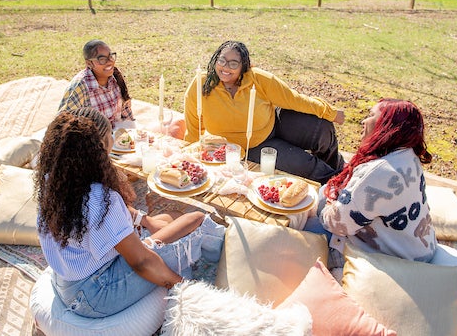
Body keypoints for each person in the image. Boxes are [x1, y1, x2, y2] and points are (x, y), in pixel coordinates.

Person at [35, 107, 224, 318]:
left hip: (67, 283)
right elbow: (142, 262)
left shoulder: (54, 181)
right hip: (96, 294)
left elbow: (110, 216)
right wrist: (185, 290)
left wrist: (146, 220)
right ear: (99, 147)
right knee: (195, 220)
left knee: (167, 218)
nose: (114, 139)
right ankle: (229, 259)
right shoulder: (99, 198)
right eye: (111, 135)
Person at [184, 40, 345, 184]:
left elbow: (294, 99)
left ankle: (336, 174)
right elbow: (193, 127)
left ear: (243, 66)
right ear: (215, 59)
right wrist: (188, 157)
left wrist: (331, 112)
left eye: (233, 63)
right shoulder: (201, 85)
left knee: (322, 128)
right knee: (306, 166)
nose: (225, 67)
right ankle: (331, 183)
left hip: (276, 122)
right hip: (251, 146)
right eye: (222, 60)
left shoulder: (258, 78)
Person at [310, 98, 437, 262]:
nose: (364, 121)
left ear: (387, 126)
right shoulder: (408, 155)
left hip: (390, 260)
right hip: (419, 247)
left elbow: (335, 224)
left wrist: (328, 203)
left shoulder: (377, 173)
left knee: (299, 229)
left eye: (371, 115)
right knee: (323, 192)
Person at [58, 39, 134, 127]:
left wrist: (133, 133)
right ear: (89, 63)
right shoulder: (80, 86)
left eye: (111, 56)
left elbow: (125, 110)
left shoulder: (115, 77)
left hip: (116, 134)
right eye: (102, 59)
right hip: (92, 138)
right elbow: (62, 123)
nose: (109, 62)